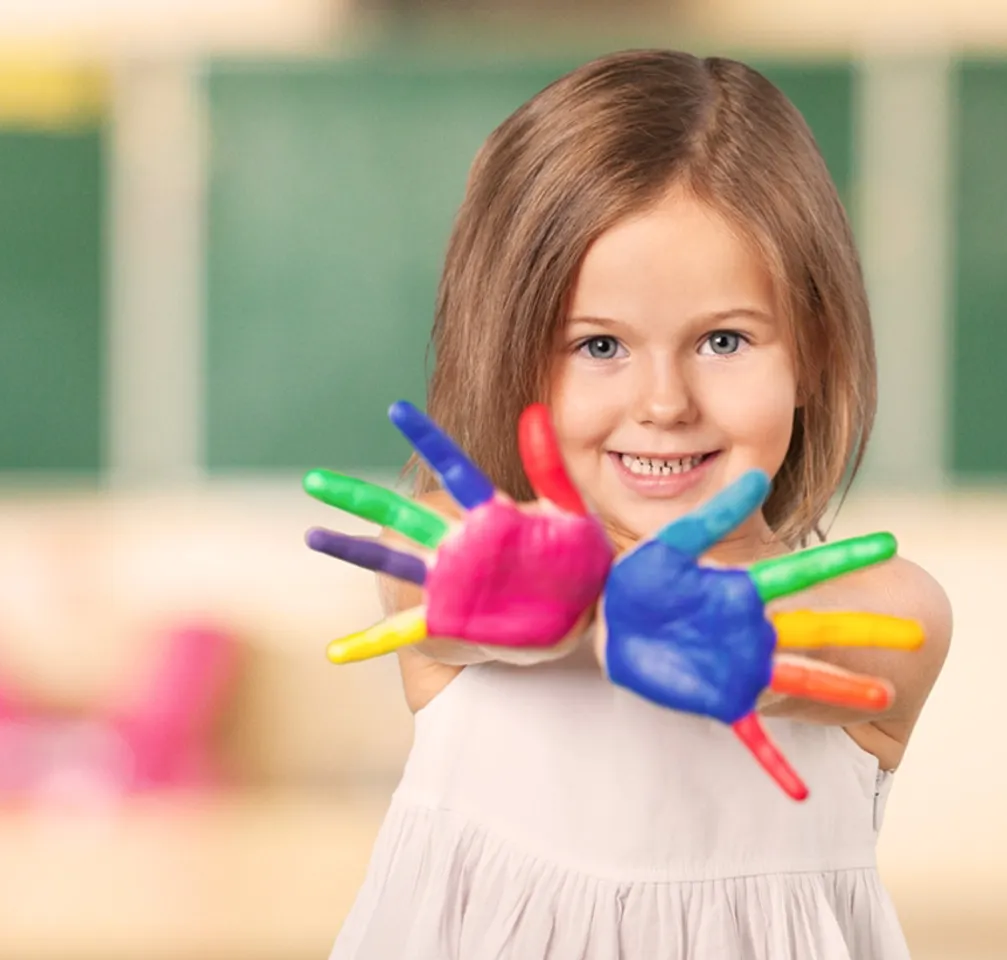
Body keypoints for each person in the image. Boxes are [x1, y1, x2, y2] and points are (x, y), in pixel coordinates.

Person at [311, 49, 952, 959]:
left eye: (724, 340)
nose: (663, 402)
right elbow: (433, 591)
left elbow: (844, 641)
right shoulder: (469, 555)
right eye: (599, 345)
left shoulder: (885, 609)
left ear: (811, 352)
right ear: (514, 347)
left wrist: (734, 639)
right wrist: (550, 598)